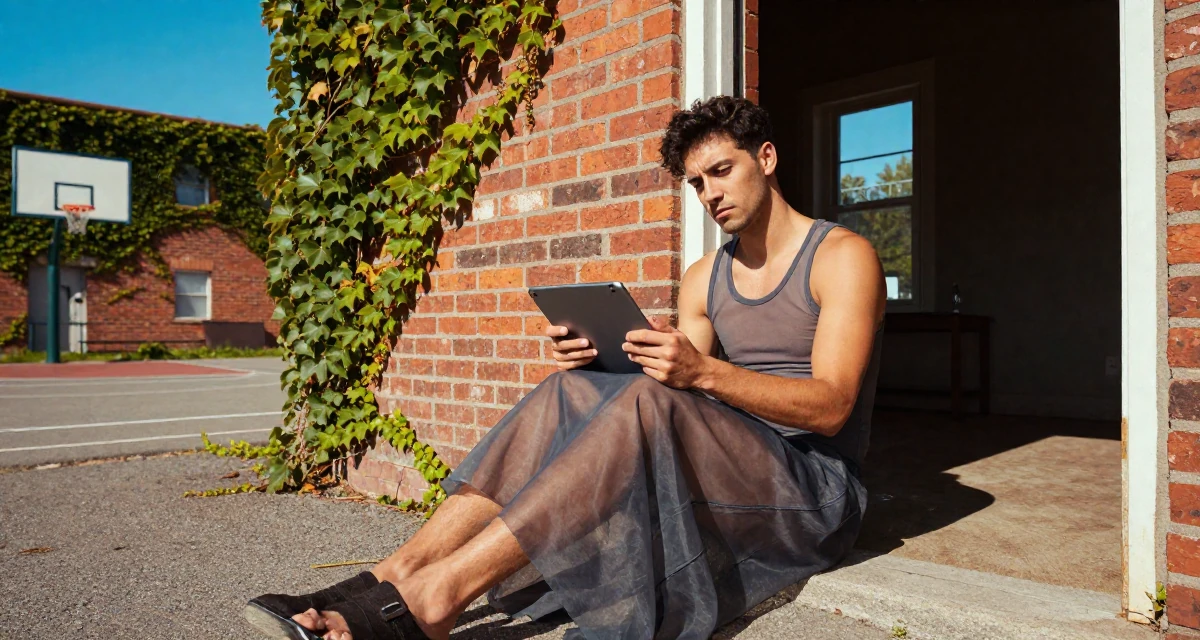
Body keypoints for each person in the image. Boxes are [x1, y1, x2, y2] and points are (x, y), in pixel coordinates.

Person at [243, 95, 886, 640]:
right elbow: (675, 387)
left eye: (721, 171)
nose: (710, 194)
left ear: (766, 160)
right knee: (569, 388)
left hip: (814, 493)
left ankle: (441, 596)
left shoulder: (841, 257)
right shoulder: (704, 277)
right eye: (696, 183)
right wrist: (619, 355)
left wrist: (700, 373)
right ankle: (396, 572)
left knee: (644, 403)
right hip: (736, 468)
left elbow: (830, 408)